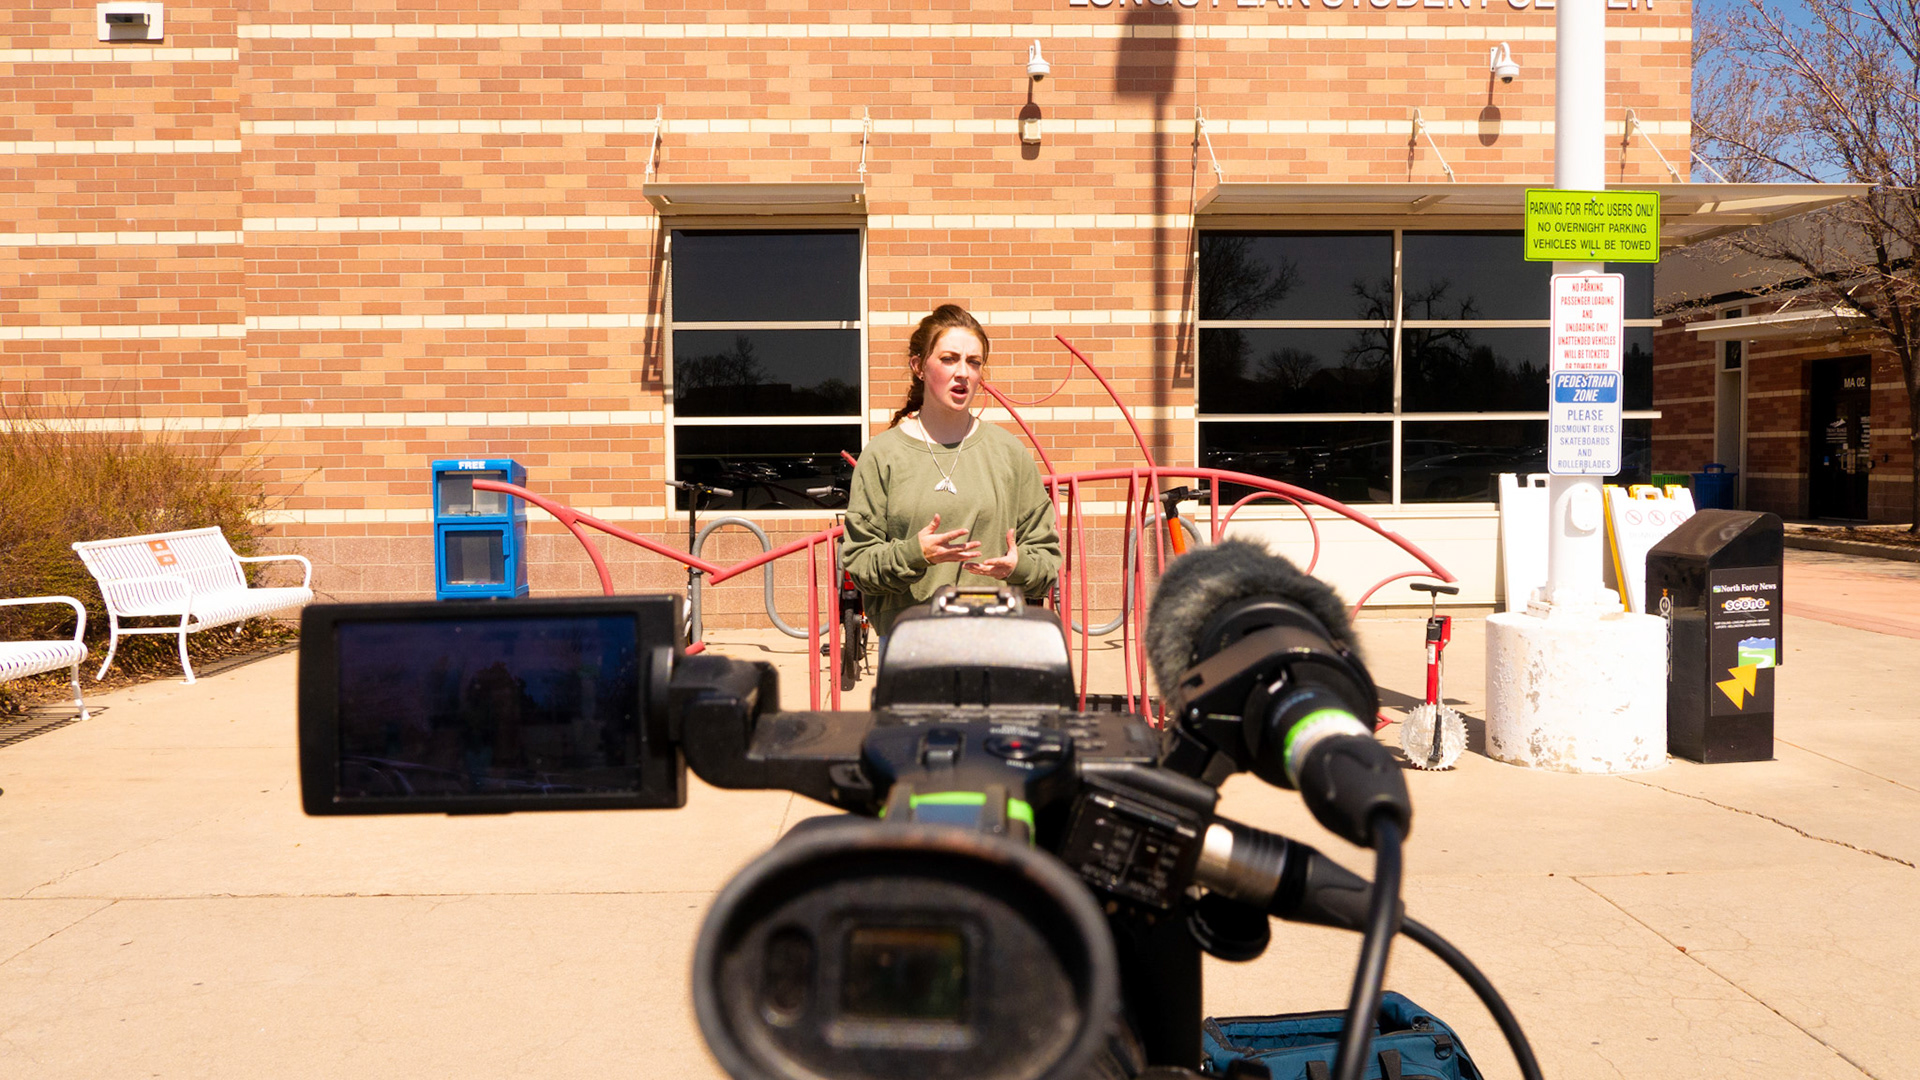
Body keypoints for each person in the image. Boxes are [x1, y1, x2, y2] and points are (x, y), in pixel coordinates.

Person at [841, 304, 1060, 640]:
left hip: (995, 642)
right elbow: (860, 565)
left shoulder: (1009, 454)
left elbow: (1046, 558)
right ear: (918, 366)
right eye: (949, 359)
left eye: (973, 362)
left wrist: (1020, 567)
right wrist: (915, 554)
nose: (963, 372)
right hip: (911, 646)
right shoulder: (882, 456)